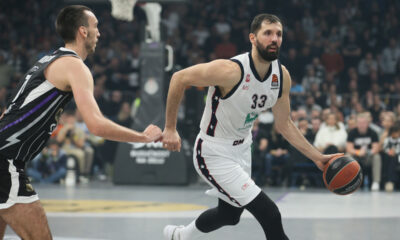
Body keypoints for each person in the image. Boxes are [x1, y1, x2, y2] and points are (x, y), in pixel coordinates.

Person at [161, 14, 341, 240]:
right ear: (253, 38)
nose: (274, 38)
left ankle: (179, 236)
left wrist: (317, 156)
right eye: (268, 33)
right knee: (270, 214)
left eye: (279, 34)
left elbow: (284, 124)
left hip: (243, 149)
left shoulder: (281, 76)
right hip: (213, 152)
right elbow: (179, 78)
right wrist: (170, 127)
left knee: (229, 215)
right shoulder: (230, 70)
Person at [0, 5, 162, 240]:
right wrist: (142, 137)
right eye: (96, 26)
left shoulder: (48, 59)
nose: (100, 33)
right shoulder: (75, 66)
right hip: (6, 159)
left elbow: (8, 111)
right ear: (83, 31)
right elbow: (96, 125)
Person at [346, 112, 381, 191]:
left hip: (368, 156)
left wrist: (367, 152)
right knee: (348, 156)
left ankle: (376, 182)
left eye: (364, 123)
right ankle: (349, 182)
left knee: (377, 157)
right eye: (359, 123)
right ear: (357, 123)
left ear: (368, 123)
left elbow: (376, 148)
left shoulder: (373, 133)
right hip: (356, 157)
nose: (361, 125)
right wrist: (358, 152)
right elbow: (349, 148)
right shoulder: (352, 133)